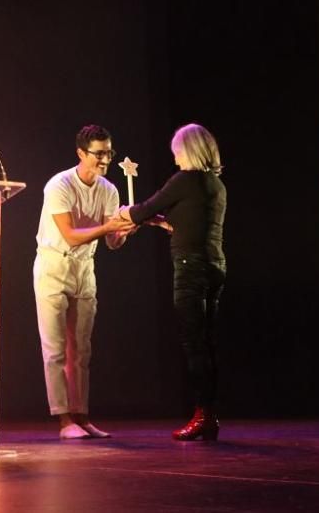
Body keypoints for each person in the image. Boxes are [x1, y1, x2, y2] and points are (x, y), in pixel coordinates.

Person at [120, 123, 226, 441]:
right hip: (215, 266)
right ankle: (209, 414)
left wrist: (129, 213)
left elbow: (144, 210)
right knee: (205, 341)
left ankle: (203, 416)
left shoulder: (184, 180)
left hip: (190, 268)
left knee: (194, 343)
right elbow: (187, 220)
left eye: (177, 152)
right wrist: (163, 223)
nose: (175, 158)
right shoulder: (215, 185)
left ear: (187, 151)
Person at [34, 124, 136, 439]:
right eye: (99, 153)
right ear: (81, 153)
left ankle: (82, 415)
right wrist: (109, 228)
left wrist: (125, 230)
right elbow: (70, 234)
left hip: (84, 269)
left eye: (109, 152)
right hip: (54, 266)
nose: (105, 159)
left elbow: (112, 243)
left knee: (82, 350)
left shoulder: (109, 189)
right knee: (56, 348)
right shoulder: (59, 185)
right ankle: (64, 420)